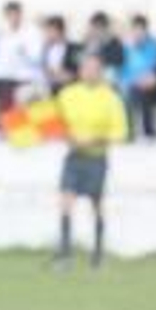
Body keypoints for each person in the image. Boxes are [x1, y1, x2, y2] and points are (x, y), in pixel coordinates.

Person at [52, 53, 129, 270]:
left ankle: (98, 254)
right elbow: (55, 122)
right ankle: (65, 254)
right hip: (73, 156)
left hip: (96, 158)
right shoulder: (68, 94)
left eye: (95, 68)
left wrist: (96, 140)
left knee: (97, 204)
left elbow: (120, 132)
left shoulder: (111, 98)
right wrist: (68, 137)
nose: (90, 72)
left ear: (101, 71)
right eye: (86, 68)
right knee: (66, 201)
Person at [0, 0, 44, 111]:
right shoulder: (3, 33)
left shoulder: (32, 32)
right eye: (9, 15)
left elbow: (37, 60)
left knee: (7, 87)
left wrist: (24, 54)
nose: (13, 18)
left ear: (21, 14)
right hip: (6, 75)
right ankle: (3, 122)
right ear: (5, 16)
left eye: (16, 14)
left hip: (26, 76)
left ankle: (5, 123)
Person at [119, 14, 156, 139]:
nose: (138, 33)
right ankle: (126, 132)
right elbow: (122, 71)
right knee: (126, 92)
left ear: (146, 31)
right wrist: (129, 82)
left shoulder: (155, 46)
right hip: (130, 84)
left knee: (144, 92)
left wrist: (147, 79)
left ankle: (148, 132)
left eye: (141, 30)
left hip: (149, 83)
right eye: (135, 30)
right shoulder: (126, 48)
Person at [40, 14, 81, 95]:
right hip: (49, 90)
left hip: (69, 91)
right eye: (46, 31)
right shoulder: (46, 48)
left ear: (59, 31)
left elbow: (77, 72)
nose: (46, 34)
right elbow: (44, 70)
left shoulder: (75, 48)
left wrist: (62, 75)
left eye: (49, 31)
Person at [81, 12, 126, 76]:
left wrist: (99, 60)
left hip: (105, 73)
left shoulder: (114, 42)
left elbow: (118, 60)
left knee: (110, 71)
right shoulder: (86, 42)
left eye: (99, 27)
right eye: (94, 27)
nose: (96, 31)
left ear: (105, 28)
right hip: (88, 72)